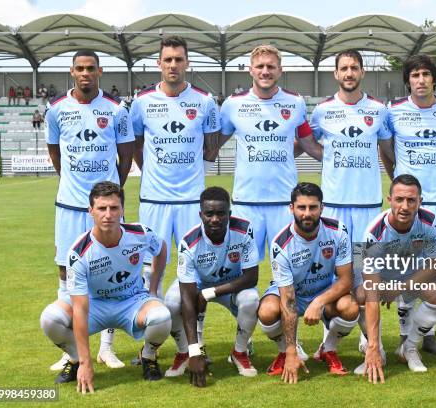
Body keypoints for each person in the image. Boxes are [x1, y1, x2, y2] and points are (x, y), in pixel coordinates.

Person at [45, 49, 135, 371]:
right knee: (65, 271)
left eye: (91, 68)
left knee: (110, 270)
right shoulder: (56, 109)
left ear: (100, 71)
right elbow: (55, 153)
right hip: (69, 205)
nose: (85, 73)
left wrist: (112, 191)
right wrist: (71, 184)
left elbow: (126, 155)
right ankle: (70, 349)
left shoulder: (116, 110)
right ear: (72, 72)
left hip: (106, 207)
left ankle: (106, 348)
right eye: (80, 68)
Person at [39, 182, 171, 389]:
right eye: (101, 208)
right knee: (50, 318)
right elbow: (80, 309)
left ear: (122, 210)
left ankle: (148, 356)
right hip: (94, 305)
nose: (108, 214)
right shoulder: (78, 253)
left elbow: (161, 247)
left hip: (131, 301)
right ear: (91, 211)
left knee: (162, 316)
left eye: (114, 208)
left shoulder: (140, 233)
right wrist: (85, 361)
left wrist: (153, 287)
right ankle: (74, 359)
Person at [310, 49, 394, 372]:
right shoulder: (322, 112)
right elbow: (308, 144)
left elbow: (387, 151)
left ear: (362, 72)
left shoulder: (378, 110)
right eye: (343, 68)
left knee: (367, 278)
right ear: (335, 73)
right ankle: (331, 341)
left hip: (368, 209)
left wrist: (394, 185)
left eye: (354, 68)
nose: (349, 73)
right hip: (332, 210)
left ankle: (372, 342)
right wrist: (329, 159)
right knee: (335, 277)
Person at [382, 54, 436, 357]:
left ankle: (427, 335)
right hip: (410, 208)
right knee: (407, 268)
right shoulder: (395, 111)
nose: (421, 80)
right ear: (408, 81)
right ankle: (405, 338)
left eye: (426, 74)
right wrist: (401, 188)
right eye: (415, 75)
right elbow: (386, 151)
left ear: (434, 79)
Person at [131, 35, 220, 299]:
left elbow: (212, 148)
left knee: (195, 270)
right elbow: (136, 145)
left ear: (187, 63)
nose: (173, 65)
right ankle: (152, 325)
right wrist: (151, 171)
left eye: (178, 60)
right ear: (159, 63)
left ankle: (195, 335)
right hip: (154, 199)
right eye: (168, 60)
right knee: (148, 271)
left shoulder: (205, 101)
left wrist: (195, 172)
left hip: (191, 200)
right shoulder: (142, 101)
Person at [219, 44, 322, 261]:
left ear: (280, 70)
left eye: (271, 66)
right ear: (250, 70)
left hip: (284, 202)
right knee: (242, 270)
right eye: (260, 66)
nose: (265, 71)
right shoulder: (232, 105)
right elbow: (213, 144)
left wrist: (340, 156)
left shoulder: (295, 102)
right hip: (245, 203)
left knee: (290, 269)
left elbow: (308, 144)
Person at [258, 182, 359, 383]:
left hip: (324, 291)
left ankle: (328, 349)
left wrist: (318, 301)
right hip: (293, 292)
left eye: (313, 207)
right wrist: (290, 351)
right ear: (291, 208)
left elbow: (346, 280)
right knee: (267, 311)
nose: (307, 213)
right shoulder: (281, 244)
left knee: (350, 307)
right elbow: (288, 300)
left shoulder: (338, 230)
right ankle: (285, 352)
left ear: (321, 207)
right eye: (301, 207)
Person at [163, 187, 260, 385]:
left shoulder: (243, 230)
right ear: (201, 215)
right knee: (172, 303)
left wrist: (210, 292)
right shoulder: (188, 243)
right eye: (209, 214)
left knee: (251, 299)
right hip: (197, 283)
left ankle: (239, 352)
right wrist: (194, 351)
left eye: (221, 213)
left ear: (229, 214)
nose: (215, 219)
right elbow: (188, 297)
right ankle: (184, 352)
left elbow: (251, 277)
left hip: (230, 283)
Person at [359, 175, 436, 383]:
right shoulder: (374, 233)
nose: (404, 206)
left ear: (420, 201)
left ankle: (409, 347)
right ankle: (375, 349)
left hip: (409, 276)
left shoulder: (429, 222)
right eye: (399, 199)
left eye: (411, 200)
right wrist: (373, 348)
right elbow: (371, 290)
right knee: (361, 294)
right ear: (389, 200)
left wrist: (399, 288)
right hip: (381, 277)